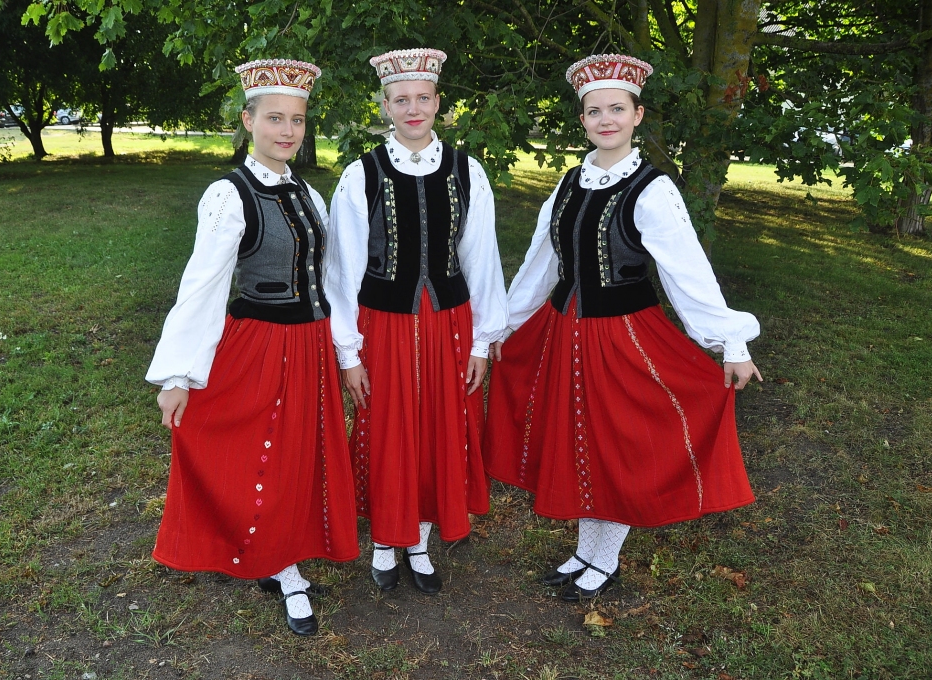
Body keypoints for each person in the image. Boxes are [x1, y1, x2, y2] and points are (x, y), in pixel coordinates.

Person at [483, 54, 762, 602]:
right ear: (582, 120)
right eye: (594, 111)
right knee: (580, 440)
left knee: (617, 445)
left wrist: (728, 340)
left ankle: (603, 559)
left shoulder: (653, 189)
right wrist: (503, 326)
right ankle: (588, 552)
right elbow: (542, 263)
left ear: (638, 115)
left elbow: (687, 273)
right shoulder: (568, 183)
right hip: (563, 332)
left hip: (624, 337)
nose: (605, 119)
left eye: (617, 109)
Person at [145, 58, 359, 635]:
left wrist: (345, 351)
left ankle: (280, 552)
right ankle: (282, 567)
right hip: (262, 346)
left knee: (298, 456)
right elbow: (204, 285)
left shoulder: (309, 194)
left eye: (297, 120)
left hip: (310, 346)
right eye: (274, 119)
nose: (287, 131)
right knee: (265, 453)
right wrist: (178, 376)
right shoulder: (228, 194)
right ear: (248, 120)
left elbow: (331, 278)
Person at [324, 48, 508, 594]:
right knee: (386, 426)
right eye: (400, 99)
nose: (412, 108)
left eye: (422, 98)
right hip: (383, 321)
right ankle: (386, 539)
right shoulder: (362, 174)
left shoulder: (467, 170)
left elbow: (482, 258)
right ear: (385, 105)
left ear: (437, 103)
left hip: (449, 320)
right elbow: (341, 269)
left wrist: (482, 341)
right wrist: (349, 352)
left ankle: (421, 539)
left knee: (437, 427)